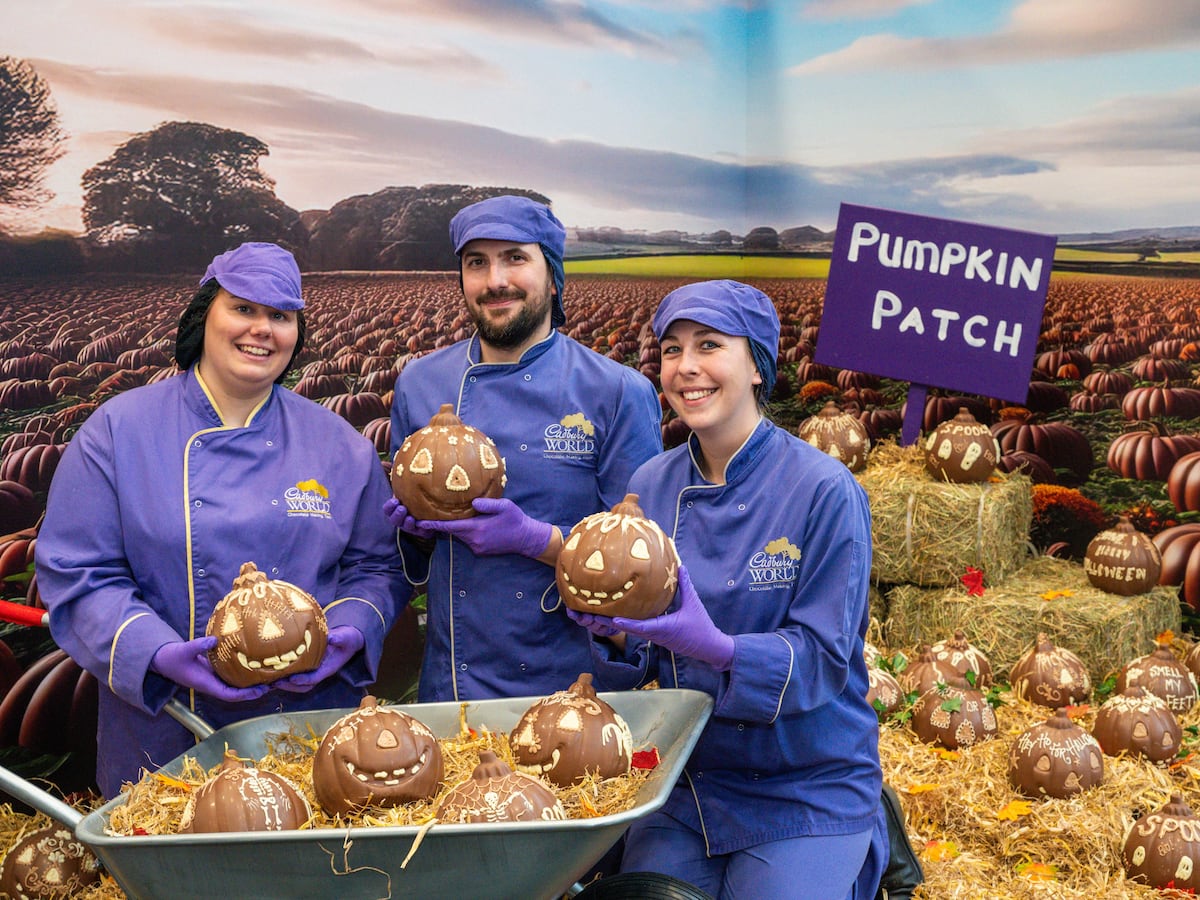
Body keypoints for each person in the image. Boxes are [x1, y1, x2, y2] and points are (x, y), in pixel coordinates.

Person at [35, 242, 406, 798]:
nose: (261, 329)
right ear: (204, 313)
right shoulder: (118, 431)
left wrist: (350, 628)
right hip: (165, 730)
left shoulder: (338, 444)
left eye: (280, 316)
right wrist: (156, 654)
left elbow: (379, 565)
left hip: (312, 730)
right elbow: (78, 573)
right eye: (244, 308)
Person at [568, 280, 888, 899]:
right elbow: (642, 659)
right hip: (689, 782)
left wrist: (720, 649)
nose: (686, 367)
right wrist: (614, 635)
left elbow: (822, 658)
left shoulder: (825, 489)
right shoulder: (650, 485)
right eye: (670, 350)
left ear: (758, 366)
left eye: (709, 345)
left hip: (806, 780)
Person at [385, 195, 663, 702]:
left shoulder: (617, 391)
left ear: (552, 274)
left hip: (574, 688)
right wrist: (415, 535)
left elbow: (646, 565)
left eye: (515, 257)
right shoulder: (420, 384)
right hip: (454, 684)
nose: (495, 280)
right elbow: (409, 559)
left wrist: (535, 539)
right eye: (477, 263)